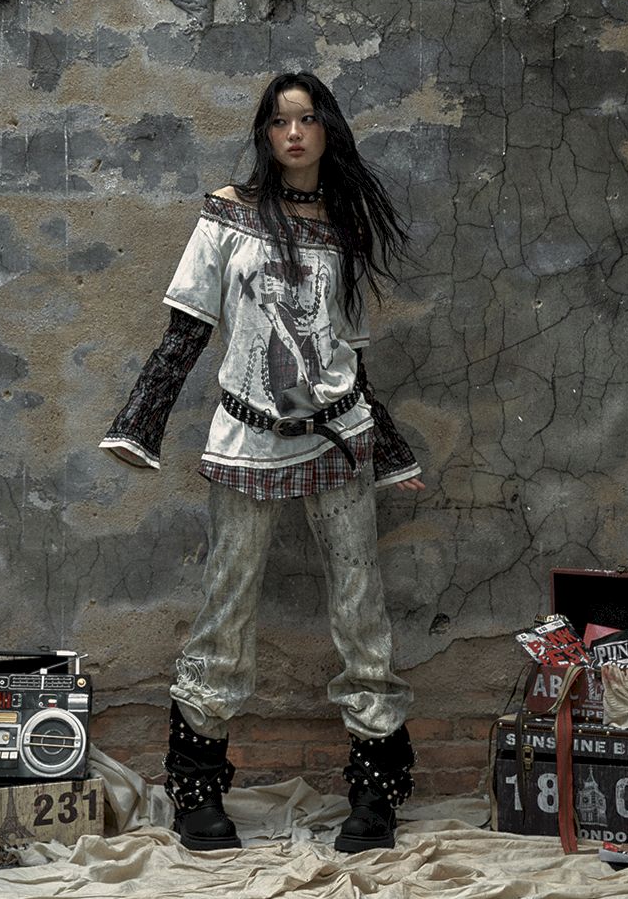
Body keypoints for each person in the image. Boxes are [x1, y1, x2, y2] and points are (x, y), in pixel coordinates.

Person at [100, 72, 425, 854]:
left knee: (361, 614)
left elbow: (347, 359)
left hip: (339, 438)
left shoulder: (345, 227)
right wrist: (140, 423)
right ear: (265, 133)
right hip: (245, 437)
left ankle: (375, 794)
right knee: (226, 610)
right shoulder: (228, 213)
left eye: (307, 119)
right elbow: (186, 330)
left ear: (327, 129)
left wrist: (388, 449)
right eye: (280, 121)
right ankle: (197, 791)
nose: (294, 133)